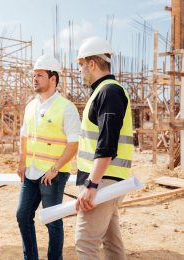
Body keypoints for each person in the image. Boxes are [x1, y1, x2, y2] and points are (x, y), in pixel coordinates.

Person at [75, 36, 134, 260]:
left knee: (85, 243)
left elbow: (107, 144)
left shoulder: (109, 92)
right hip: (108, 179)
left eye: (81, 64)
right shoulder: (106, 91)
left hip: (103, 179)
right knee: (112, 241)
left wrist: (92, 184)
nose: (80, 70)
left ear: (92, 63)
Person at [16, 55, 80, 260]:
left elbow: (73, 144)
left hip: (52, 174)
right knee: (22, 214)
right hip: (31, 171)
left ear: (53, 78)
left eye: (40, 75)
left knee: (52, 220)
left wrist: (55, 168)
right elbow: (24, 136)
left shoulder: (66, 107)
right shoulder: (31, 105)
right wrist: (21, 162)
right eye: (34, 75)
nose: (34, 79)